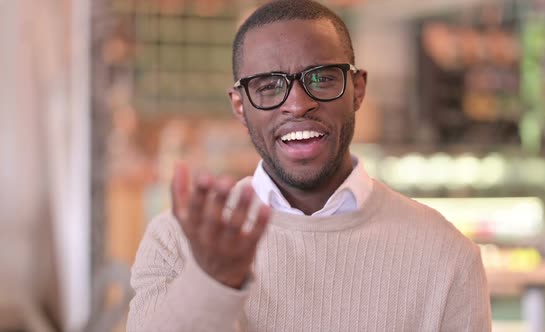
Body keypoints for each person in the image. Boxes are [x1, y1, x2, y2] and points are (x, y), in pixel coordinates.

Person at [127, 1, 492, 331]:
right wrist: (213, 284)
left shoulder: (446, 256)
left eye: (321, 78)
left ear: (358, 89)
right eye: (268, 86)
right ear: (240, 105)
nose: (298, 104)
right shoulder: (177, 240)